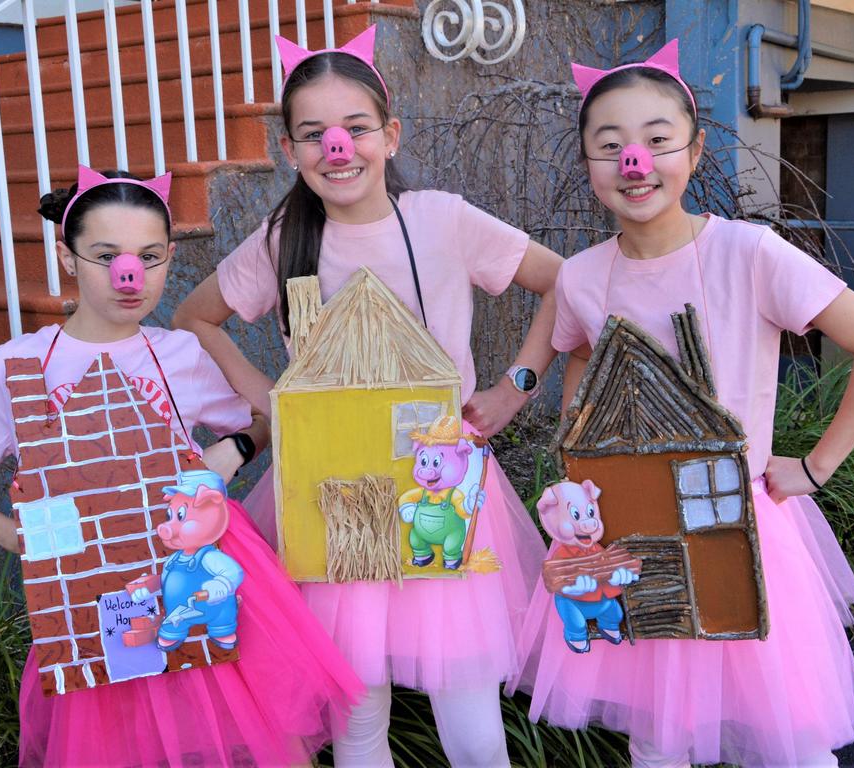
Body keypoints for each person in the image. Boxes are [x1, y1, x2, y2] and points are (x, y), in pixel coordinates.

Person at [509, 40, 854, 767]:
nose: (635, 162)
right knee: (657, 739)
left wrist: (817, 467)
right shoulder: (582, 277)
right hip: (628, 536)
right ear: (590, 166)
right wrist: (575, 450)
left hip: (738, 528)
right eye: (611, 146)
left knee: (787, 744)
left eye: (657, 140)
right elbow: (576, 351)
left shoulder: (750, 253)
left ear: (693, 154)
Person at [173, 25, 563, 767]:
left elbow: (563, 284)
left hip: (436, 494)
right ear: (289, 150)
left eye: (355, 128)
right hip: (333, 495)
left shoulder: (443, 219)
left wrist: (515, 387)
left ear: (390, 134)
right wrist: (272, 402)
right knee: (357, 719)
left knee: (475, 729)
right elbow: (195, 318)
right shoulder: (285, 235)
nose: (337, 149)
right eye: (313, 134)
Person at [0, 166, 364, 767]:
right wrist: (16, 537)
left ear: (171, 256)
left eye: (150, 256)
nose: (131, 275)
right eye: (105, 255)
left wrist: (234, 451)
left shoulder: (179, 354)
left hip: (199, 569)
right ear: (69, 260)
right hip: (96, 591)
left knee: (257, 741)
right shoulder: (16, 368)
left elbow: (265, 417)